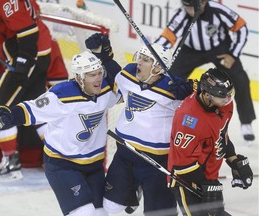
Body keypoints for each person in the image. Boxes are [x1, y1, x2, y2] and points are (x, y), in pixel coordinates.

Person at [0, 49, 122, 215]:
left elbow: (127, 88)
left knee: (103, 212)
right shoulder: (61, 95)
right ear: (79, 78)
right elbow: (31, 109)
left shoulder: (105, 91)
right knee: (84, 213)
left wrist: (107, 57)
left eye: (100, 73)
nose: (99, 78)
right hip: (63, 165)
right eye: (92, 75)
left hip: (94, 166)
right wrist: (8, 116)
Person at [85, 33, 195, 215]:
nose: (139, 63)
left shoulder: (175, 89)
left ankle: (140, 187)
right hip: (125, 154)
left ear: (158, 67)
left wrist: (192, 88)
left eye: (145, 60)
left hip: (157, 162)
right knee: (112, 207)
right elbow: (114, 74)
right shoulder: (129, 73)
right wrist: (103, 55)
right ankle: (133, 190)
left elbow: (208, 102)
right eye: (140, 58)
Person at [154, 0, 256, 145]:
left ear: (203, 2)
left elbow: (241, 26)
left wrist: (233, 54)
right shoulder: (182, 14)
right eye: (187, 7)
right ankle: (163, 116)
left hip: (219, 50)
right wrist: (153, 53)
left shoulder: (218, 11)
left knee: (240, 79)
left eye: (193, 6)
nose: (189, 10)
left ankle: (246, 122)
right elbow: (167, 36)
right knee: (170, 79)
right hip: (190, 51)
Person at [0, 0, 52, 180]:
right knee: (36, 109)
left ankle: (11, 162)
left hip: (29, 53)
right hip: (38, 50)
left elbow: (27, 31)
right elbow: (6, 21)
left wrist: (23, 64)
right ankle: (60, 157)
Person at [168, 67, 253, 215]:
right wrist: (208, 184)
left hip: (209, 178)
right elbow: (181, 164)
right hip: (187, 180)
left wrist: (233, 159)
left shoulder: (224, 104)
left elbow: (221, 134)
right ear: (207, 95)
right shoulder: (188, 119)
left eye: (229, 95)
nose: (227, 100)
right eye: (222, 96)